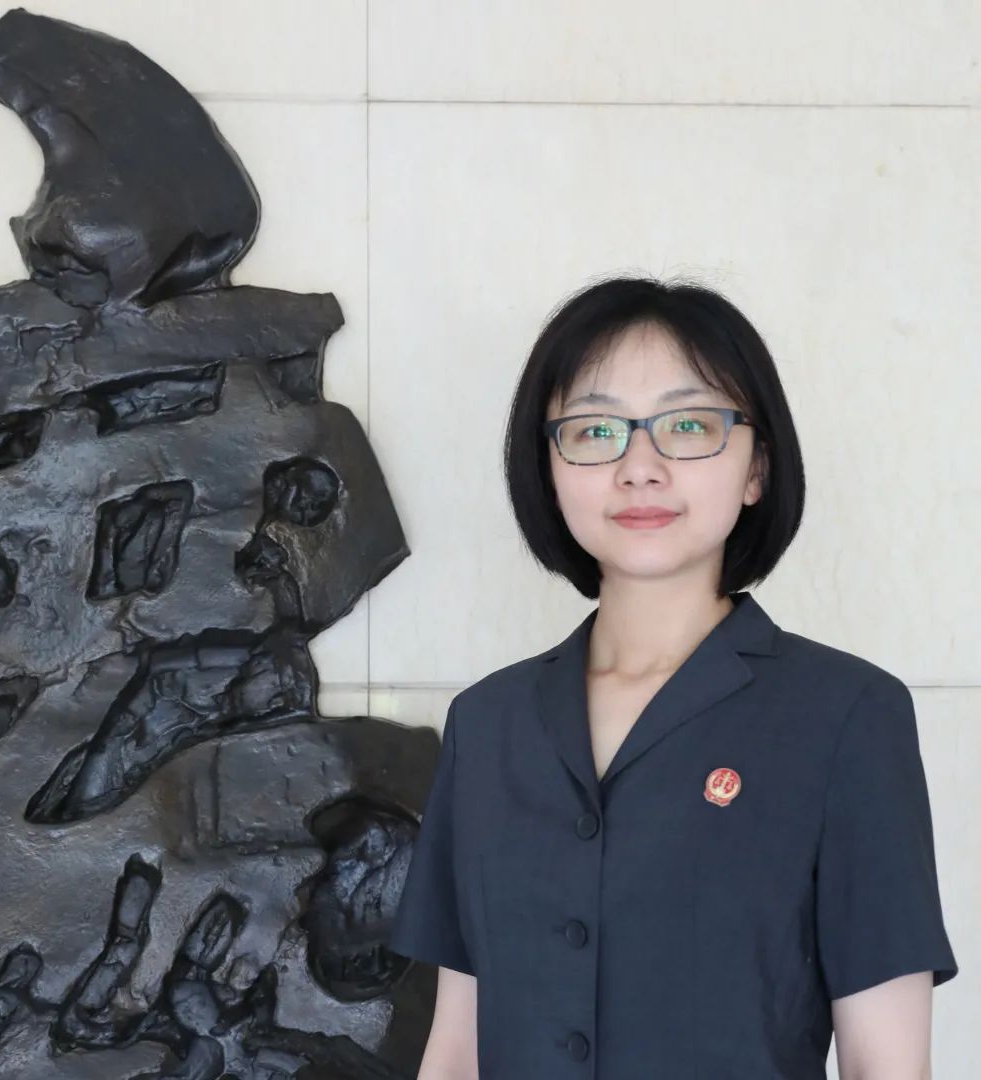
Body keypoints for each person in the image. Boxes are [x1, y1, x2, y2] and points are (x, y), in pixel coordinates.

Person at [385, 276, 958, 1079]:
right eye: (595, 430)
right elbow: (455, 1050)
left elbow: (886, 1065)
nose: (640, 468)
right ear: (549, 467)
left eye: (689, 425)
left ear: (757, 468)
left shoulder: (847, 717)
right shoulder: (488, 725)